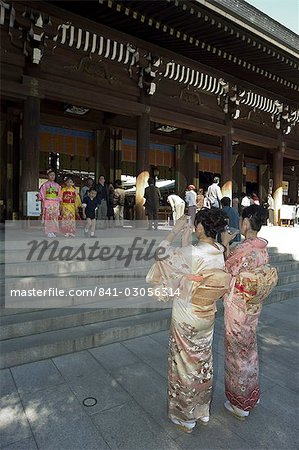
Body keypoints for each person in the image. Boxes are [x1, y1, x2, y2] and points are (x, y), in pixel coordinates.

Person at [146, 210, 231, 433]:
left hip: (187, 314)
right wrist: (186, 237)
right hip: (207, 314)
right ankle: (202, 410)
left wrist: (174, 231)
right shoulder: (219, 251)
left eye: (196, 225)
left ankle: (185, 416)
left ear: (201, 227)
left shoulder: (193, 252)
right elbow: (187, 264)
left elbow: (161, 256)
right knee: (202, 362)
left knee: (184, 364)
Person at [221, 205, 278, 420]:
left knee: (236, 353)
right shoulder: (262, 248)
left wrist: (226, 244)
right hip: (253, 306)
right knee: (249, 349)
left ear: (245, 222)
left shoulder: (242, 249)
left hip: (238, 307)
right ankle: (251, 395)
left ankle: (240, 402)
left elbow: (226, 271)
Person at [37, 169, 61, 238]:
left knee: (54, 217)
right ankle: (48, 231)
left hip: (55, 203)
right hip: (48, 202)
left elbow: (59, 195)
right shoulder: (45, 185)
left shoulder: (57, 185)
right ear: (48, 176)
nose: (52, 176)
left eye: (53, 175)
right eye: (50, 175)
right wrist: (43, 202)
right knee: (48, 217)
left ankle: (53, 231)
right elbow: (42, 195)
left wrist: (58, 203)